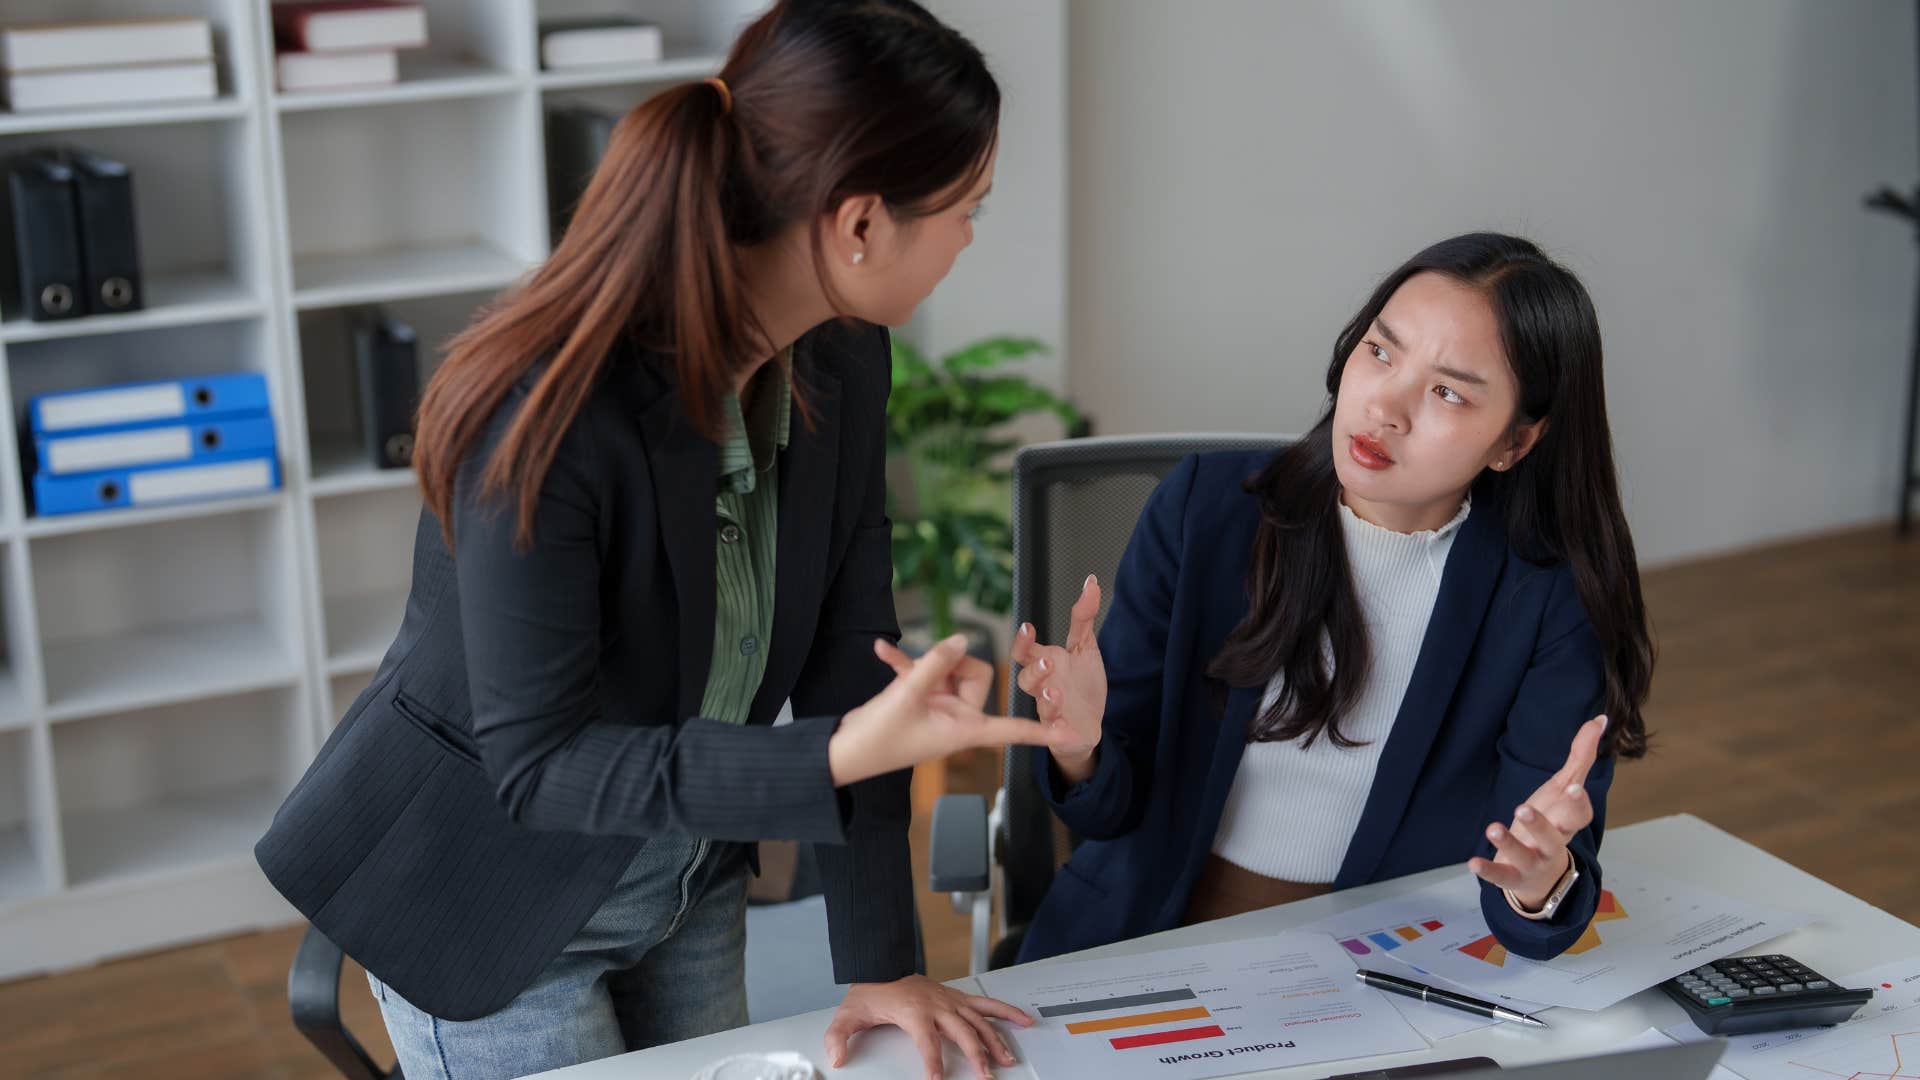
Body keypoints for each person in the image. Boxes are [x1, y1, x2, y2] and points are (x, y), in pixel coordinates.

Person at [255, 3, 1072, 1078]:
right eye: (966, 209)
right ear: (859, 224)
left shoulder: (844, 359)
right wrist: (834, 754)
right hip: (495, 904)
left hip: (689, 879)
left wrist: (878, 959)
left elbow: (851, 655)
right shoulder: (547, 414)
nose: (970, 236)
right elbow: (540, 765)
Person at [1010, 232, 1654, 965]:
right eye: (1381, 351)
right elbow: (1110, 811)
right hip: (1151, 946)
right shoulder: (1204, 512)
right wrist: (1080, 746)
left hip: (1380, 979)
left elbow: (1535, 908)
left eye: (1447, 391)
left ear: (1514, 442)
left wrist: (1539, 884)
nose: (1386, 406)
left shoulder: (1547, 601)